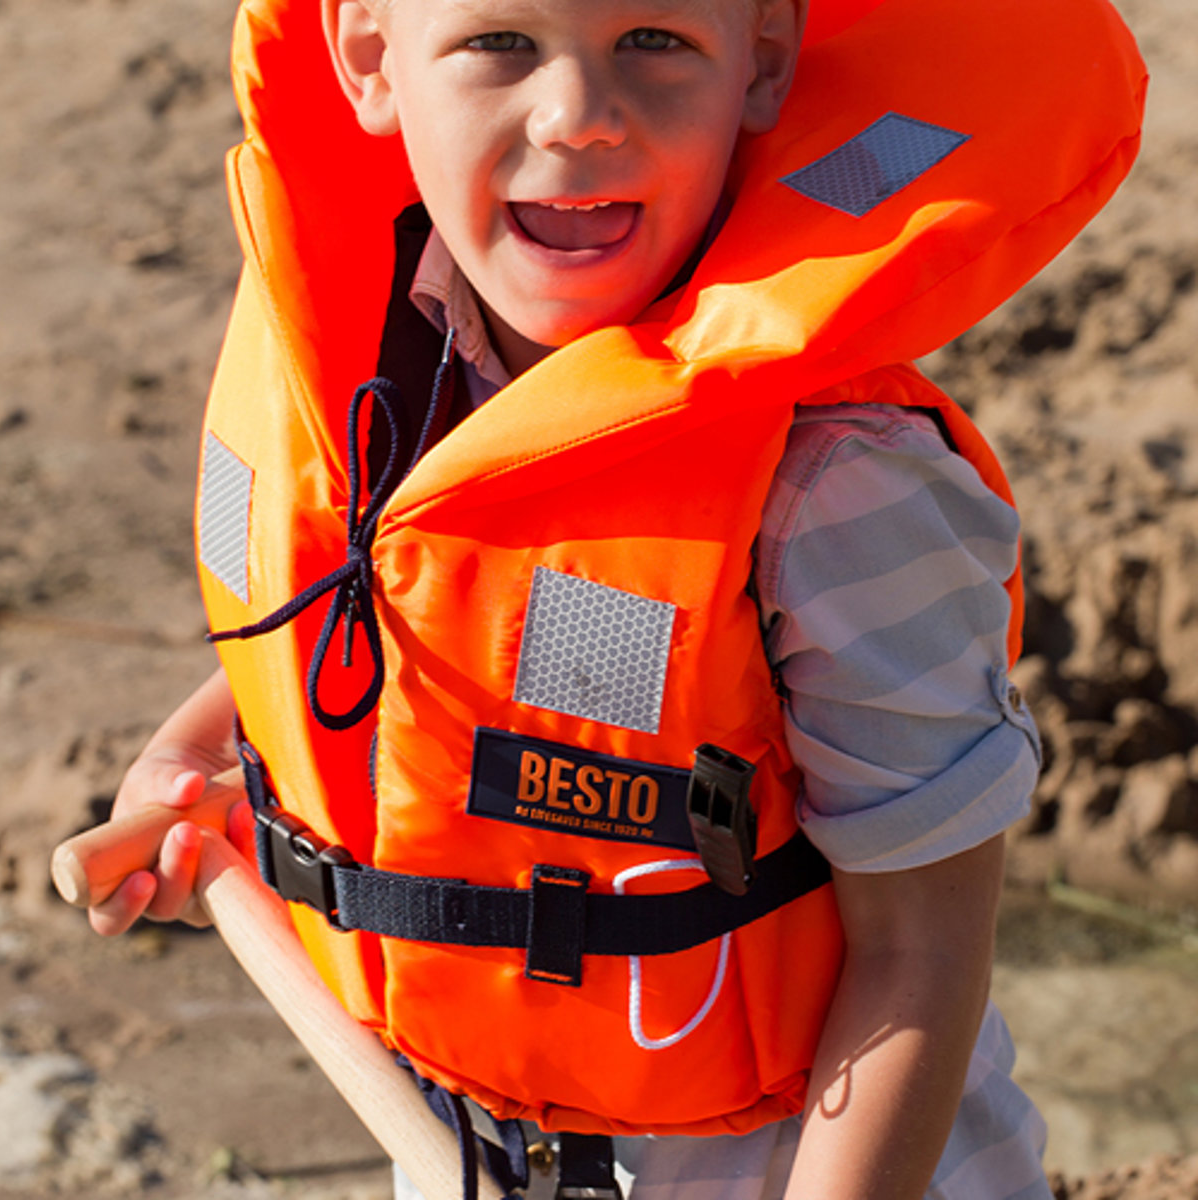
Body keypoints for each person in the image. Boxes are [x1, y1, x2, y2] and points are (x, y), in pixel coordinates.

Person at [85, 0, 1146, 1197]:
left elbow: (923, 953)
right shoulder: (394, 363)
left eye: (655, 41)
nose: (578, 118)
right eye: (500, 42)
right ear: (371, 58)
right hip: (473, 1139)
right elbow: (407, 602)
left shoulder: (841, 491)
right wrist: (191, 755)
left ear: (763, 58)